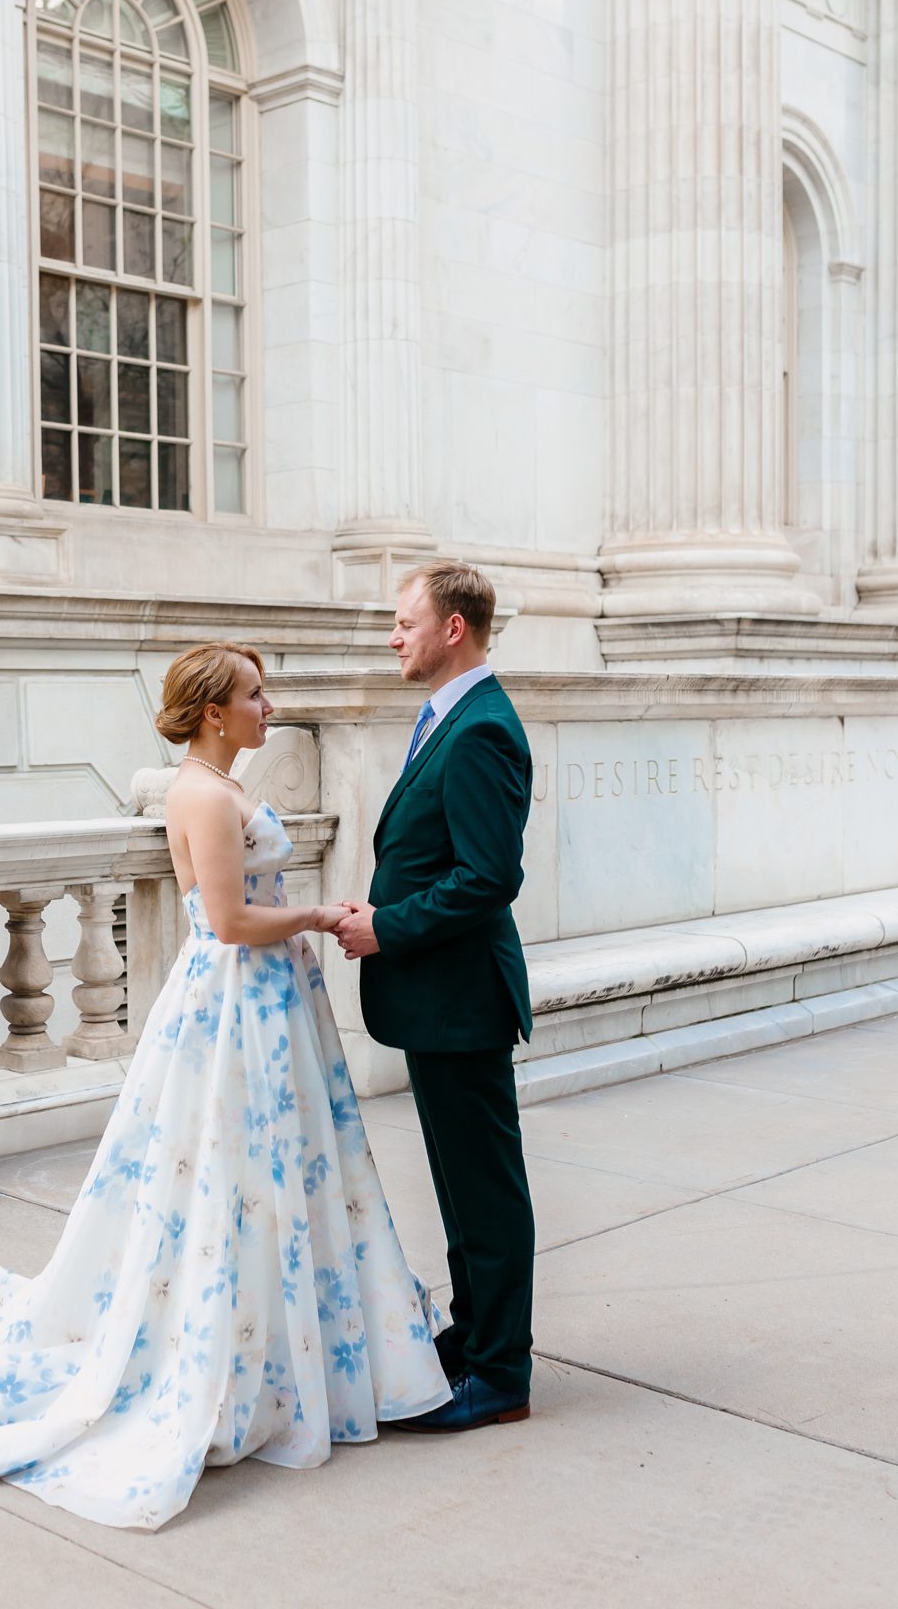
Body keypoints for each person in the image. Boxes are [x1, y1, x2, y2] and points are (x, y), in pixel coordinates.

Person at [0, 641, 449, 1530]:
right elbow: (227, 921)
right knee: (229, 1176)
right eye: (254, 695)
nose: (267, 708)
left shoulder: (221, 785)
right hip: (236, 1001)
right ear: (212, 713)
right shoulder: (198, 792)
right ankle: (232, 1357)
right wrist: (314, 912)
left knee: (283, 1173)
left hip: (271, 1000)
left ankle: (286, 1345)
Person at [336, 560, 535, 1433]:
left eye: (404, 621)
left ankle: (499, 1376)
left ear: (453, 628)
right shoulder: (446, 718)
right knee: (460, 1188)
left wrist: (388, 926)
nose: (394, 635)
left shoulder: (483, 728)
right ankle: (474, 1334)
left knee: (485, 1192)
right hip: (437, 997)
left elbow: (488, 879)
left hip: (461, 997)